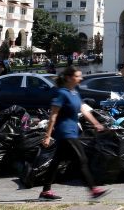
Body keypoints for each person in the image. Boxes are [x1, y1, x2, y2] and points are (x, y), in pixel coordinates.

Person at [39, 66, 110, 201]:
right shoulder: (62, 93)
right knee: (81, 159)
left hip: (72, 132)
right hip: (65, 133)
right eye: (78, 76)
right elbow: (53, 116)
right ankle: (93, 190)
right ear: (69, 78)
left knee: (56, 161)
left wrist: (96, 124)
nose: (81, 78)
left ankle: (46, 191)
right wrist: (47, 136)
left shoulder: (74, 93)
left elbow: (84, 110)